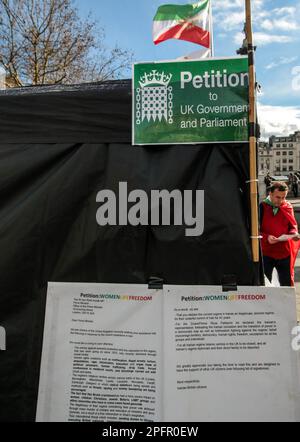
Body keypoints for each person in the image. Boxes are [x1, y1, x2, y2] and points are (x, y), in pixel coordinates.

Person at [260, 181, 300, 286]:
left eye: (283, 197)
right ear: (270, 194)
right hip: (266, 253)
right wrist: (266, 237)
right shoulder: (262, 207)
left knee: (286, 285)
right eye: (278, 197)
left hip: (284, 253)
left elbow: (292, 226)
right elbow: (254, 230)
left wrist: (294, 234)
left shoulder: (288, 206)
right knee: (265, 284)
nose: (281, 201)